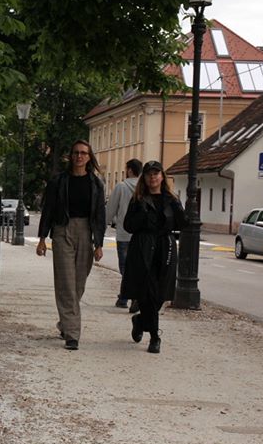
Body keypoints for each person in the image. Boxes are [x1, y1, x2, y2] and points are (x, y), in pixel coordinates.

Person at [36, 140, 106, 351]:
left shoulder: (96, 184)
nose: (79, 156)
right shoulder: (58, 181)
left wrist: (99, 243)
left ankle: (65, 323)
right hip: (62, 231)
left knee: (78, 284)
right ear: (70, 156)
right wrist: (42, 238)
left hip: (86, 232)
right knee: (66, 283)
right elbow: (48, 209)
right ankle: (73, 334)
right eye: (76, 152)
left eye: (83, 153)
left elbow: (100, 215)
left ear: (89, 157)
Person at [121, 161, 188, 354]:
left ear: (162, 176)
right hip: (143, 247)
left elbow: (182, 224)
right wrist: (142, 217)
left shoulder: (171, 199)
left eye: (156, 173)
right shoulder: (138, 199)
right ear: (144, 177)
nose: (153, 177)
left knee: (160, 294)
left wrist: (179, 208)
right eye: (149, 174)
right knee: (147, 292)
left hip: (165, 247)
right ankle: (155, 337)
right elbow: (128, 225)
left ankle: (140, 321)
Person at [107, 158, 142, 309]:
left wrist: (102, 225)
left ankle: (130, 297)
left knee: (125, 268)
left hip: (124, 233)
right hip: (141, 235)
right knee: (138, 267)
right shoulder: (144, 187)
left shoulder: (121, 186)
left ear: (129, 170)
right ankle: (125, 297)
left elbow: (111, 209)